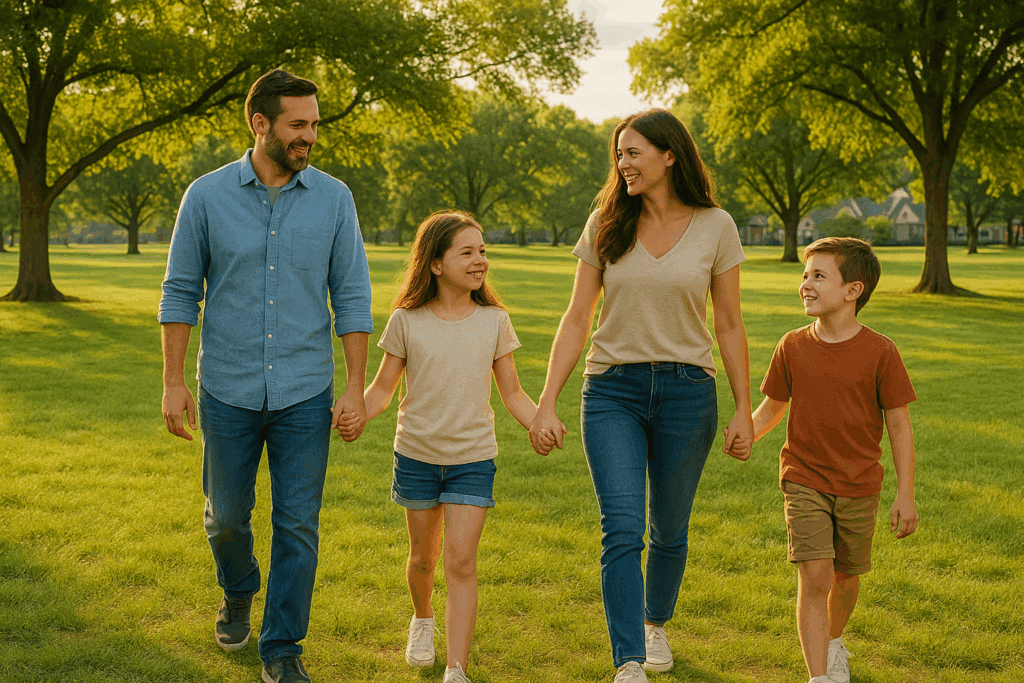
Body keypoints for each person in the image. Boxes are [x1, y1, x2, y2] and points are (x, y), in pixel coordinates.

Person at [159, 68, 373, 683]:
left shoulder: (335, 199)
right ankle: (238, 586)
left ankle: (282, 647)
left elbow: (352, 297)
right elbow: (179, 293)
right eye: (298, 124)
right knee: (225, 517)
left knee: (297, 523)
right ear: (261, 124)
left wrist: (354, 386)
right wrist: (175, 381)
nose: (310, 136)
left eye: (314, 124)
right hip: (225, 386)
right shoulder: (206, 196)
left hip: (306, 390)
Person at [528, 109, 753, 683]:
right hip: (612, 392)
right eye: (619, 155)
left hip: (688, 393)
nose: (623, 164)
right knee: (622, 526)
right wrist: (547, 400)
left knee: (670, 529)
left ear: (669, 155)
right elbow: (577, 317)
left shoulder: (716, 225)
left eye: (633, 152)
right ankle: (628, 659)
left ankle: (655, 623)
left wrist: (743, 409)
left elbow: (728, 322)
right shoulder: (605, 221)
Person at [346, 211, 560, 683]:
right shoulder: (406, 320)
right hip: (417, 456)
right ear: (436, 264)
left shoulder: (495, 321)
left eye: (482, 250)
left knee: (461, 559)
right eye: (467, 252)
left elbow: (512, 394)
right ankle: (422, 619)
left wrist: (538, 422)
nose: (480, 260)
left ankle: (456, 668)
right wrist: (358, 410)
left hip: (472, 458)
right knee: (423, 559)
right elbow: (383, 389)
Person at [735, 237, 919, 683]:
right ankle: (819, 676)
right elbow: (772, 408)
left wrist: (906, 494)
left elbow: (899, 426)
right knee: (815, 575)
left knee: (846, 579)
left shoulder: (881, 351)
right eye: (804, 275)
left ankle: (834, 641)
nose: (805, 285)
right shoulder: (792, 346)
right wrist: (746, 431)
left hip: (859, 484)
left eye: (818, 276)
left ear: (853, 290)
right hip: (804, 478)